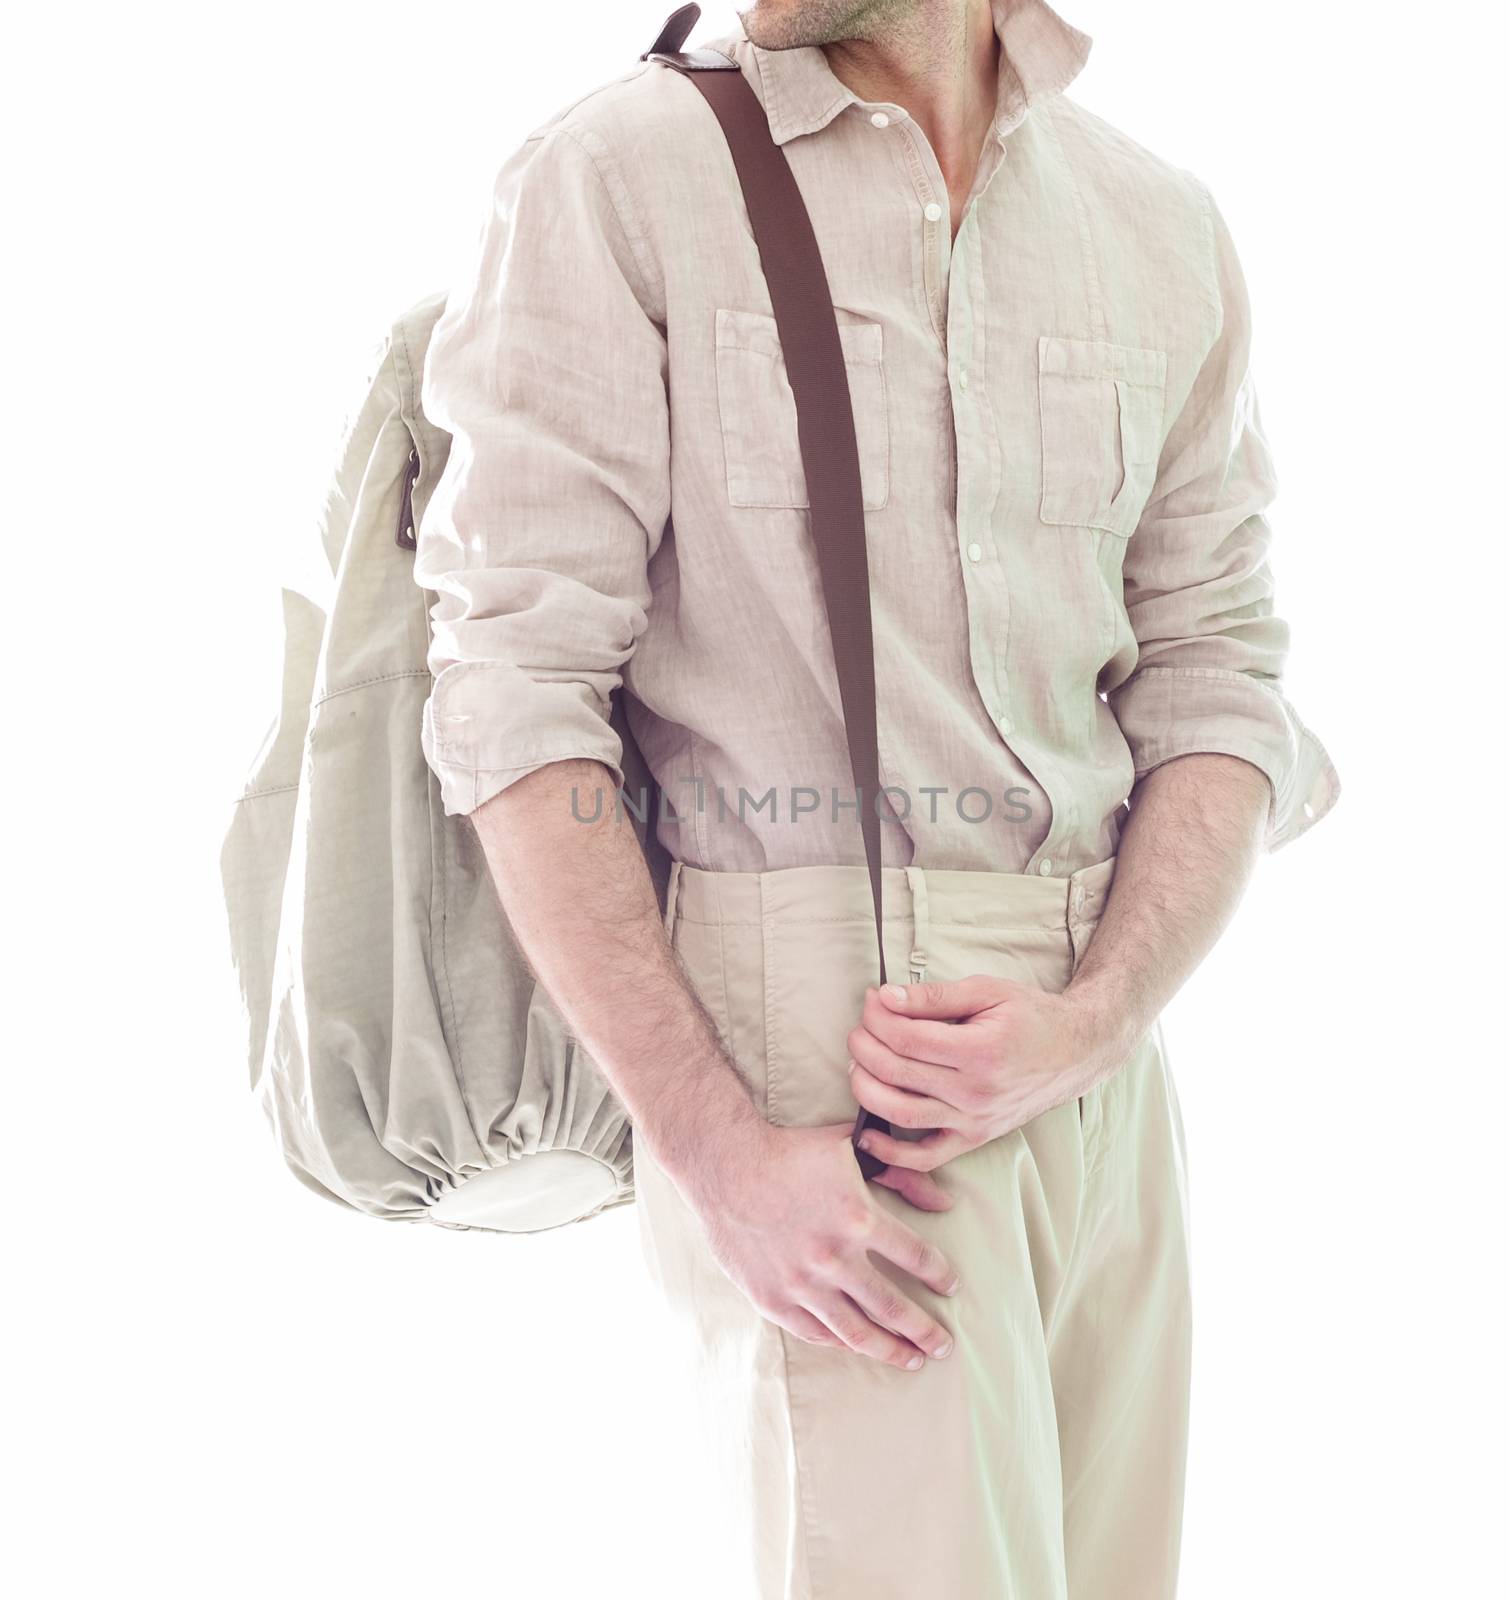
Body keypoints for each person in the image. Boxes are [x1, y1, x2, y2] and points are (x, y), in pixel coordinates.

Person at [412, 0, 1340, 1594]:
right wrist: (709, 1148)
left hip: (1104, 1071)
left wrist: (1103, 1018)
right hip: (811, 1060)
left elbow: (1216, 679)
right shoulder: (618, 177)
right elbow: (515, 692)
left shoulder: (1154, 220)